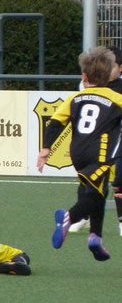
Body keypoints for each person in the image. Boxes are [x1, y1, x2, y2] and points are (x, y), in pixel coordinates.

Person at [37, 46, 122, 261]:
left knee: (97, 192)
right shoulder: (115, 97)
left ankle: (96, 236)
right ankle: (69, 216)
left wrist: (46, 149)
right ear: (109, 76)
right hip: (100, 152)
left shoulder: (75, 98)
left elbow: (55, 122)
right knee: (94, 195)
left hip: (77, 152)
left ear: (84, 76)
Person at [69, 45, 122, 235]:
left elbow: (58, 121)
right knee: (96, 186)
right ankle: (77, 217)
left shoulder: (82, 95)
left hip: (96, 147)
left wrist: (46, 148)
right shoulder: (102, 91)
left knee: (107, 185)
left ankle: (100, 231)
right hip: (102, 148)